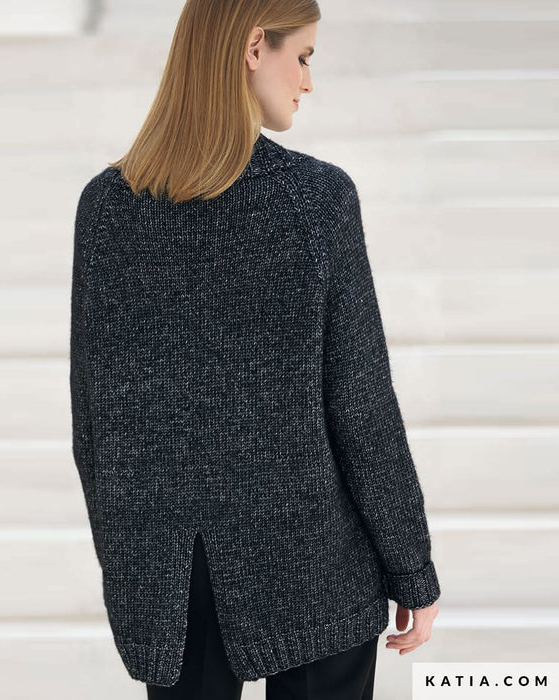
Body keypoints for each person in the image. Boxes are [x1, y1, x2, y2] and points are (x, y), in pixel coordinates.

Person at [69, 1, 441, 698]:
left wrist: (135, 571)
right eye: (302, 57)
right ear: (252, 49)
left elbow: (94, 426)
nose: (307, 81)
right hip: (318, 564)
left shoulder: (108, 209)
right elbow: (359, 404)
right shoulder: (317, 201)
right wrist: (410, 567)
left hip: (174, 577)